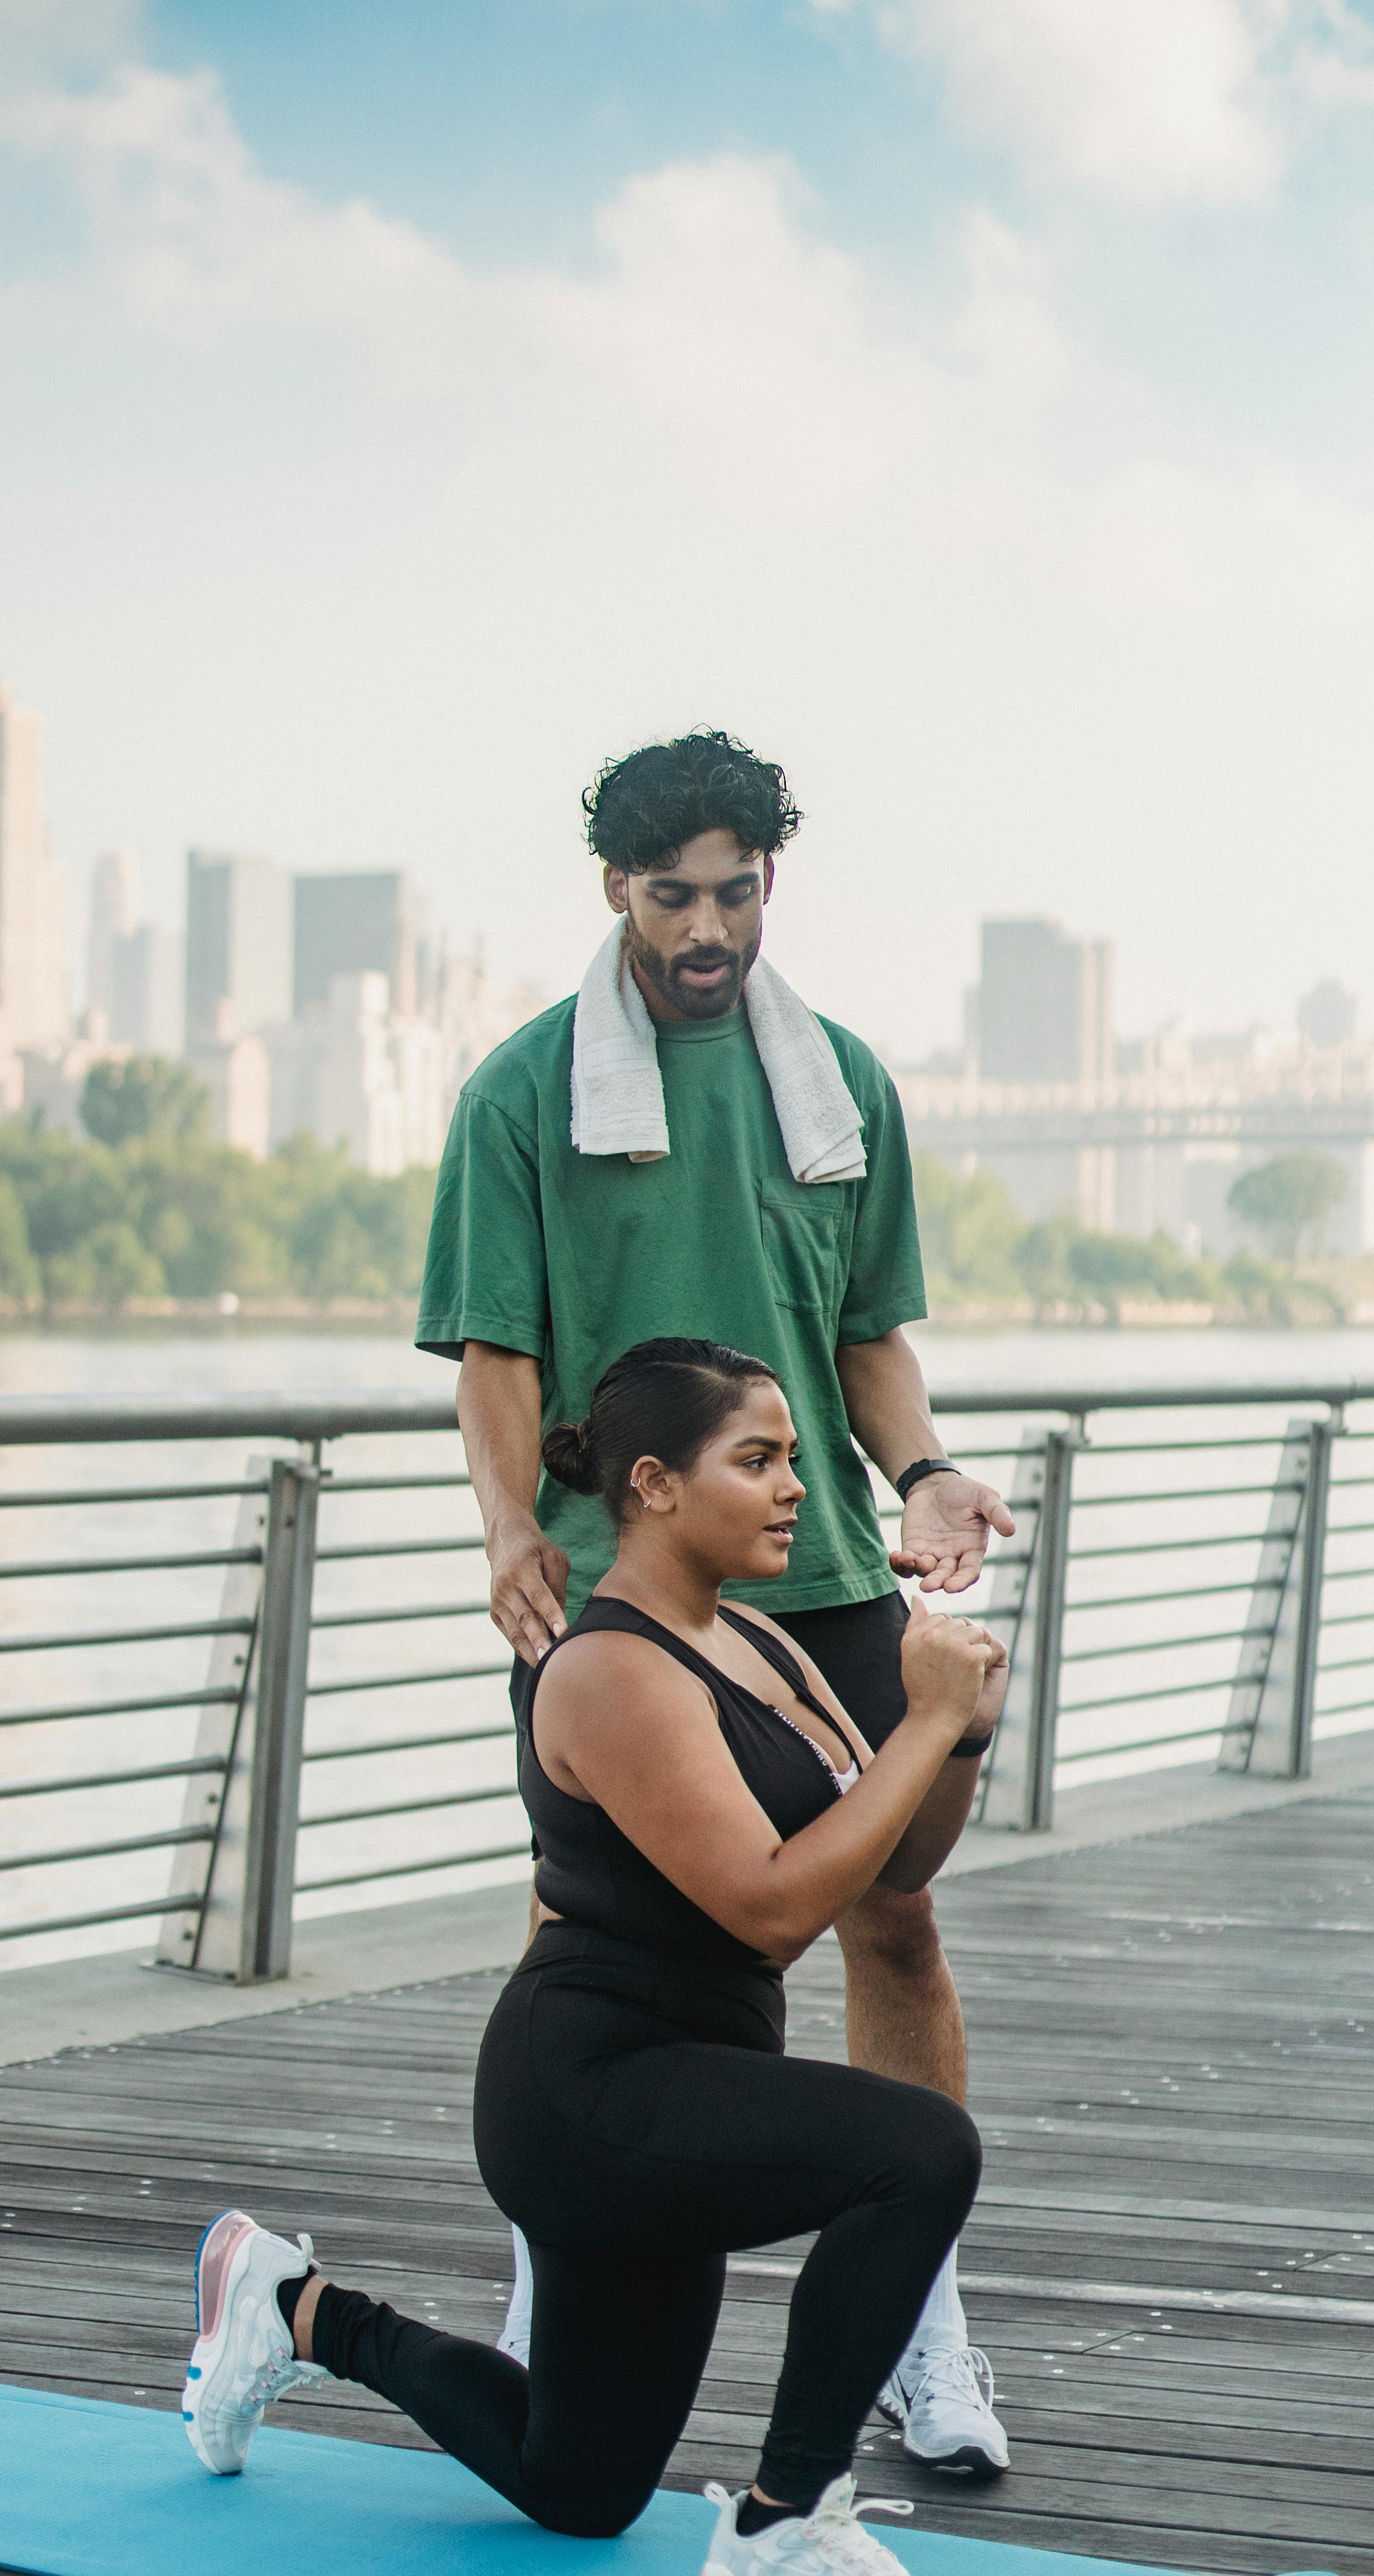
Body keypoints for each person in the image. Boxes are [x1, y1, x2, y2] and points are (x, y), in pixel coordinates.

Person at [182, 1340, 1009, 2576]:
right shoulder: (609, 1670)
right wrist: (915, 1725)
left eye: (793, 1457)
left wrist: (955, 1731)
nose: (795, 1488)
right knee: (917, 2152)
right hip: (589, 2093)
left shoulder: (748, 1642)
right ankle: (783, 2530)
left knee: (577, 2487)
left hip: (685, 2085)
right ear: (652, 1485)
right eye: (756, 1460)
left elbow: (893, 1860)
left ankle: (289, 2303)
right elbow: (770, 1905)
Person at [414, 729, 1014, 2477]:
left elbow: (866, 1343)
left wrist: (920, 1476)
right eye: (668, 894)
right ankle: (555, 2282)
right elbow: (496, 1360)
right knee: (585, 1931)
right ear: (614, 891)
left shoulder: (838, 1084)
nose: (702, 927)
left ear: (770, 885)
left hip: (820, 1574)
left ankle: (919, 2325)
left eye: (730, 892)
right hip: (620, 1598)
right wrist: (513, 1531)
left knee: (892, 1922)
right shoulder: (524, 1094)